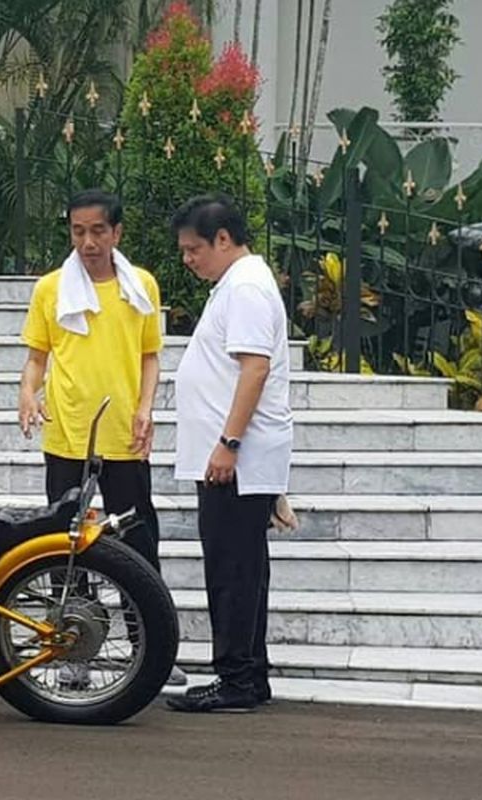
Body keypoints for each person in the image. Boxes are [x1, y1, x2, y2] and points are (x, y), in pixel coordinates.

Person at [18, 189, 187, 688]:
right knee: (66, 547)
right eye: (77, 231)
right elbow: (36, 358)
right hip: (68, 434)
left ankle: (150, 648)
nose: (87, 242)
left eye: (97, 231)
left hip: (123, 437)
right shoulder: (51, 289)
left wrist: (146, 408)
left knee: (138, 546)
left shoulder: (142, 288)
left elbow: (150, 356)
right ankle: (75, 650)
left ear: (117, 233)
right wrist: (28, 394)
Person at [164, 194, 293, 713]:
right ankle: (248, 674)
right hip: (234, 458)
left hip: (234, 460)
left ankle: (236, 678)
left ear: (223, 239)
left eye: (194, 248)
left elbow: (255, 368)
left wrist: (229, 442)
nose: (188, 259)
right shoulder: (237, 285)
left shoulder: (245, 288)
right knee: (241, 568)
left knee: (232, 570)